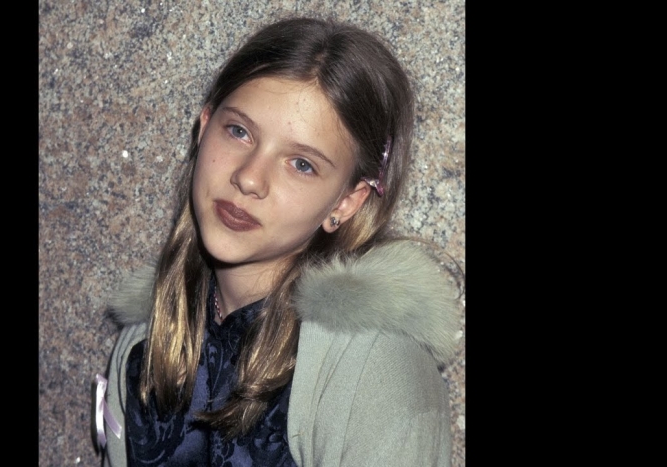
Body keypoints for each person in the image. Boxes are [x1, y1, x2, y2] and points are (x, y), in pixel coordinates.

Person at [96, 15, 462, 467]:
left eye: (302, 164)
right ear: (204, 126)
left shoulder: (374, 369)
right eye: (239, 131)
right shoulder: (145, 342)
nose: (249, 178)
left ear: (346, 202)